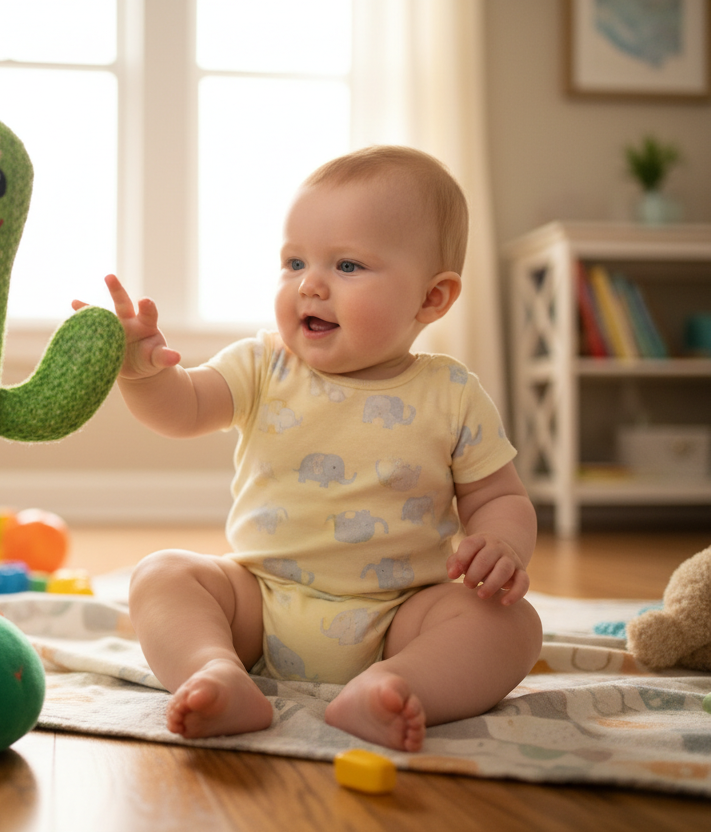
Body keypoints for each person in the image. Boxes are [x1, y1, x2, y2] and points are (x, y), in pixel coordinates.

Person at [76, 146, 542, 753]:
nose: (311, 285)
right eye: (294, 262)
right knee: (163, 575)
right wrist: (143, 376)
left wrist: (502, 545)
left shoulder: (451, 394)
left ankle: (394, 687)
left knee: (512, 626)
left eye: (347, 266)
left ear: (432, 298)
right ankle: (213, 670)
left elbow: (499, 495)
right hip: (260, 603)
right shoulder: (262, 364)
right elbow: (184, 407)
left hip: (402, 615)